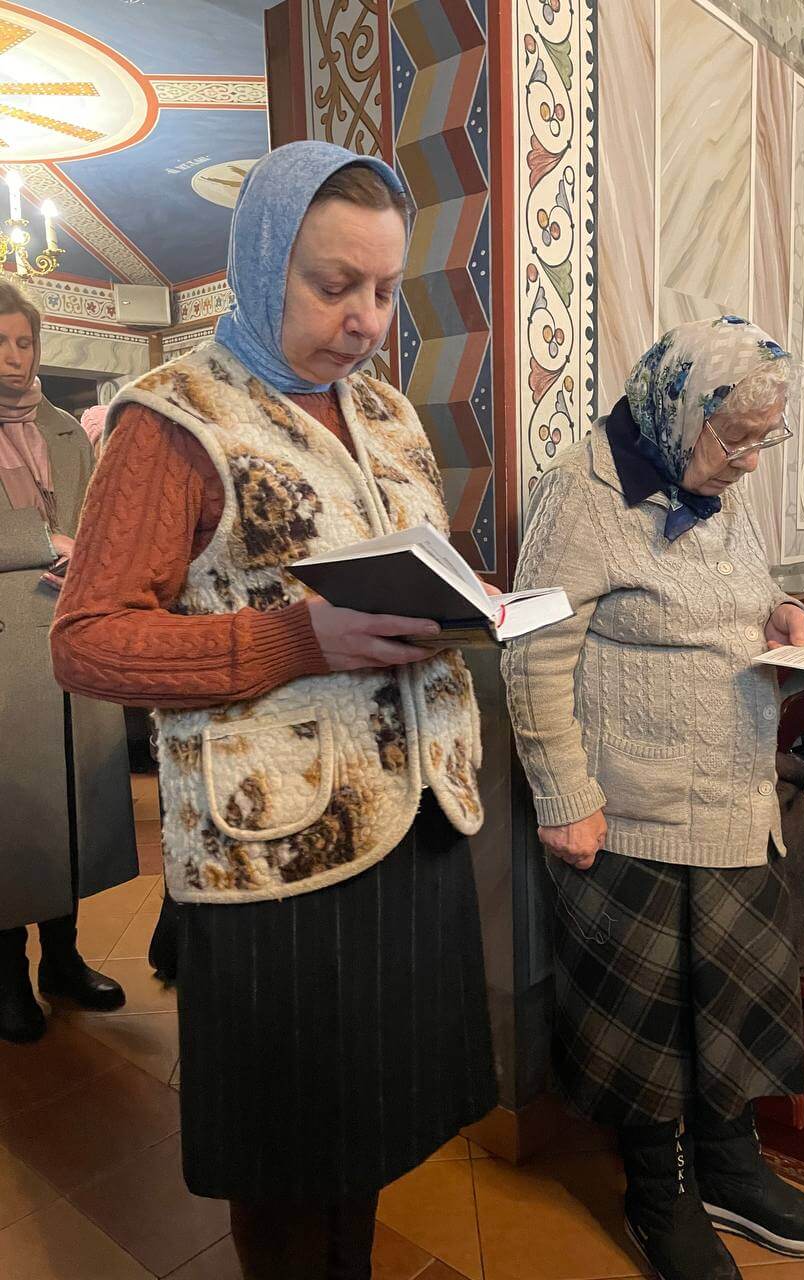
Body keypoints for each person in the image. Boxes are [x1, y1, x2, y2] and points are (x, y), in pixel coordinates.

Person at [51, 142, 496, 1280]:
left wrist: (468, 605)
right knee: (292, 1151)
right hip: (274, 851)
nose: (366, 320)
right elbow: (87, 641)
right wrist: (298, 637)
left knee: (370, 1127)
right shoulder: (172, 419)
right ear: (261, 263)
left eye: (385, 289)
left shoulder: (387, 413)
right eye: (334, 284)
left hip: (411, 825)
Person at [502, 316, 804, 1280]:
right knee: (646, 1018)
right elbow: (532, 650)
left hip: (733, 798)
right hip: (635, 811)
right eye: (735, 439)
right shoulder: (583, 489)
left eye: (763, 441)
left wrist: (781, 611)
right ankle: (660, 1192)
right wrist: (563, 794)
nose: (749, 461)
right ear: (678, 408)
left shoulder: (719, 486)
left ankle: (729, 1165)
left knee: (732, 996)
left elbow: (748, 588)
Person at [0, 281, 133, 1044]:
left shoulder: (65, 431)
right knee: (13, 817)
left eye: (25, 342)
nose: (14, 358)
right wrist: (40, 541)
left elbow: (95, 522)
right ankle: (6, 977)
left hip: (68, 635)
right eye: (0, 342)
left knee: (72, 813)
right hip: (4, 652)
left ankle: (63, 961)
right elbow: (56, 534)